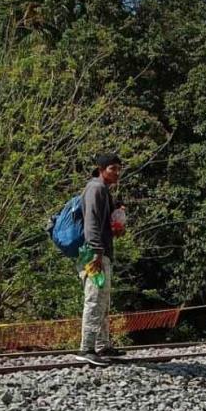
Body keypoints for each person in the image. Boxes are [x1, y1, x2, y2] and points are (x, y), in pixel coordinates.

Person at [73, 154, 123, 366]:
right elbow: (92, 222)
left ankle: (102, 345)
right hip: (94, 254)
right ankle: (87, 348)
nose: (117, 173)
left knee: (102, 299)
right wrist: (97, 251)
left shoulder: (102, 190)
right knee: (94, 298)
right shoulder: (96, 189)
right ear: (101, 169)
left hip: (100, 252)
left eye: (119, 169)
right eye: (113, 168)